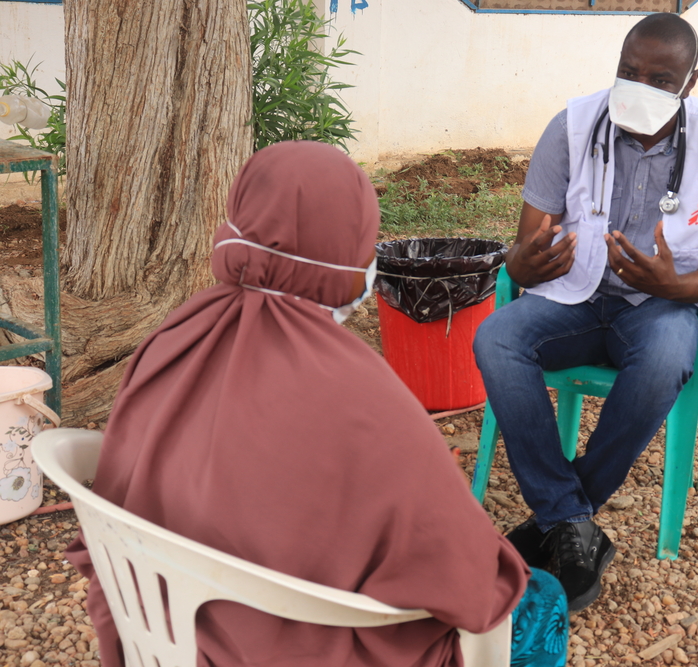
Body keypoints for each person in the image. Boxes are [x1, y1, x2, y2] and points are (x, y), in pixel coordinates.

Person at [66, 142, 568, 667]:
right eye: (364, 243)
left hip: (163, 634)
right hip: (309, 647)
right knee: (542, 600)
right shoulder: (364, 397)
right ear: (341, 251)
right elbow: (467, 577)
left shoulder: (168, 344)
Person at [473, 13, 698, 612]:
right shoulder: (572, 126)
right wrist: (524, 266)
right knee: (496, 338)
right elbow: (526, 247)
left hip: (657, 307)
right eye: (628, 72)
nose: (639, 87)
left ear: (690, 81)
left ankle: (557, 517)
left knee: (664, 362)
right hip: (573, 299)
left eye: (659, 78)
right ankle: (571, 520)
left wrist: (673, 283)